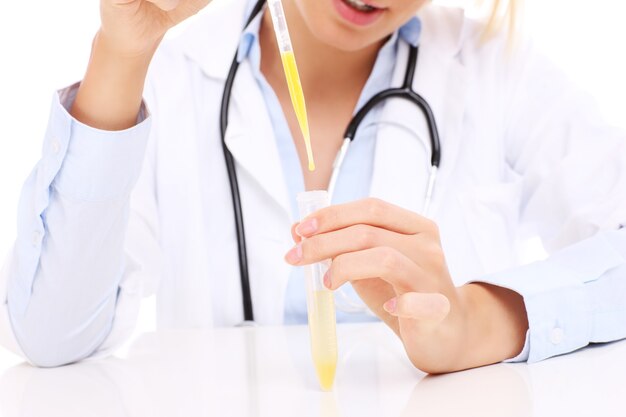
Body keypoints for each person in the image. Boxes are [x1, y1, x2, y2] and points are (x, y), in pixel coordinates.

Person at [0, 0, 624, 373]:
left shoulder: (498, 71)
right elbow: (53, 339)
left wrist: (478, 321)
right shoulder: (169, 74)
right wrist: (121, 50)